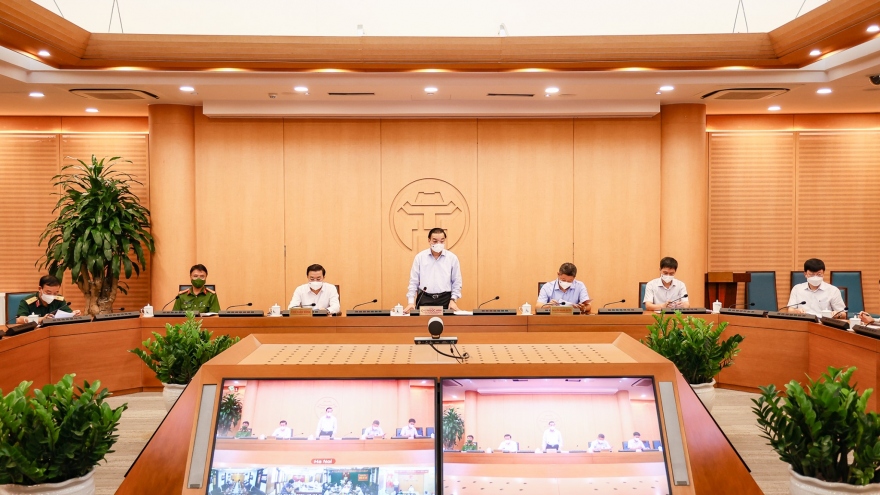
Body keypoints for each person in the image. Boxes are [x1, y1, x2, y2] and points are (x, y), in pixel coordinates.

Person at [403, 228, 463, 313]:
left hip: (445, 299)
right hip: (425, 298)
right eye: (435, 241)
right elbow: (413, 282)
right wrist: (411, 302)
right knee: (423, 321)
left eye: (442, 241)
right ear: (429, 240)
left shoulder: (452, 258)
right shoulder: (420, 257)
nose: (439, 244)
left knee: (446, 321)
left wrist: (453, 300)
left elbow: (457, 281)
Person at [15, 275, 81, 323]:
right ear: (40, 289)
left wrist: (73, 314)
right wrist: (41, 319)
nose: (52, 296)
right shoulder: (28, 301)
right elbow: (19, 319)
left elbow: (68, 314)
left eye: (55, 293)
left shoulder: (59, 300)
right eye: (48, 292)